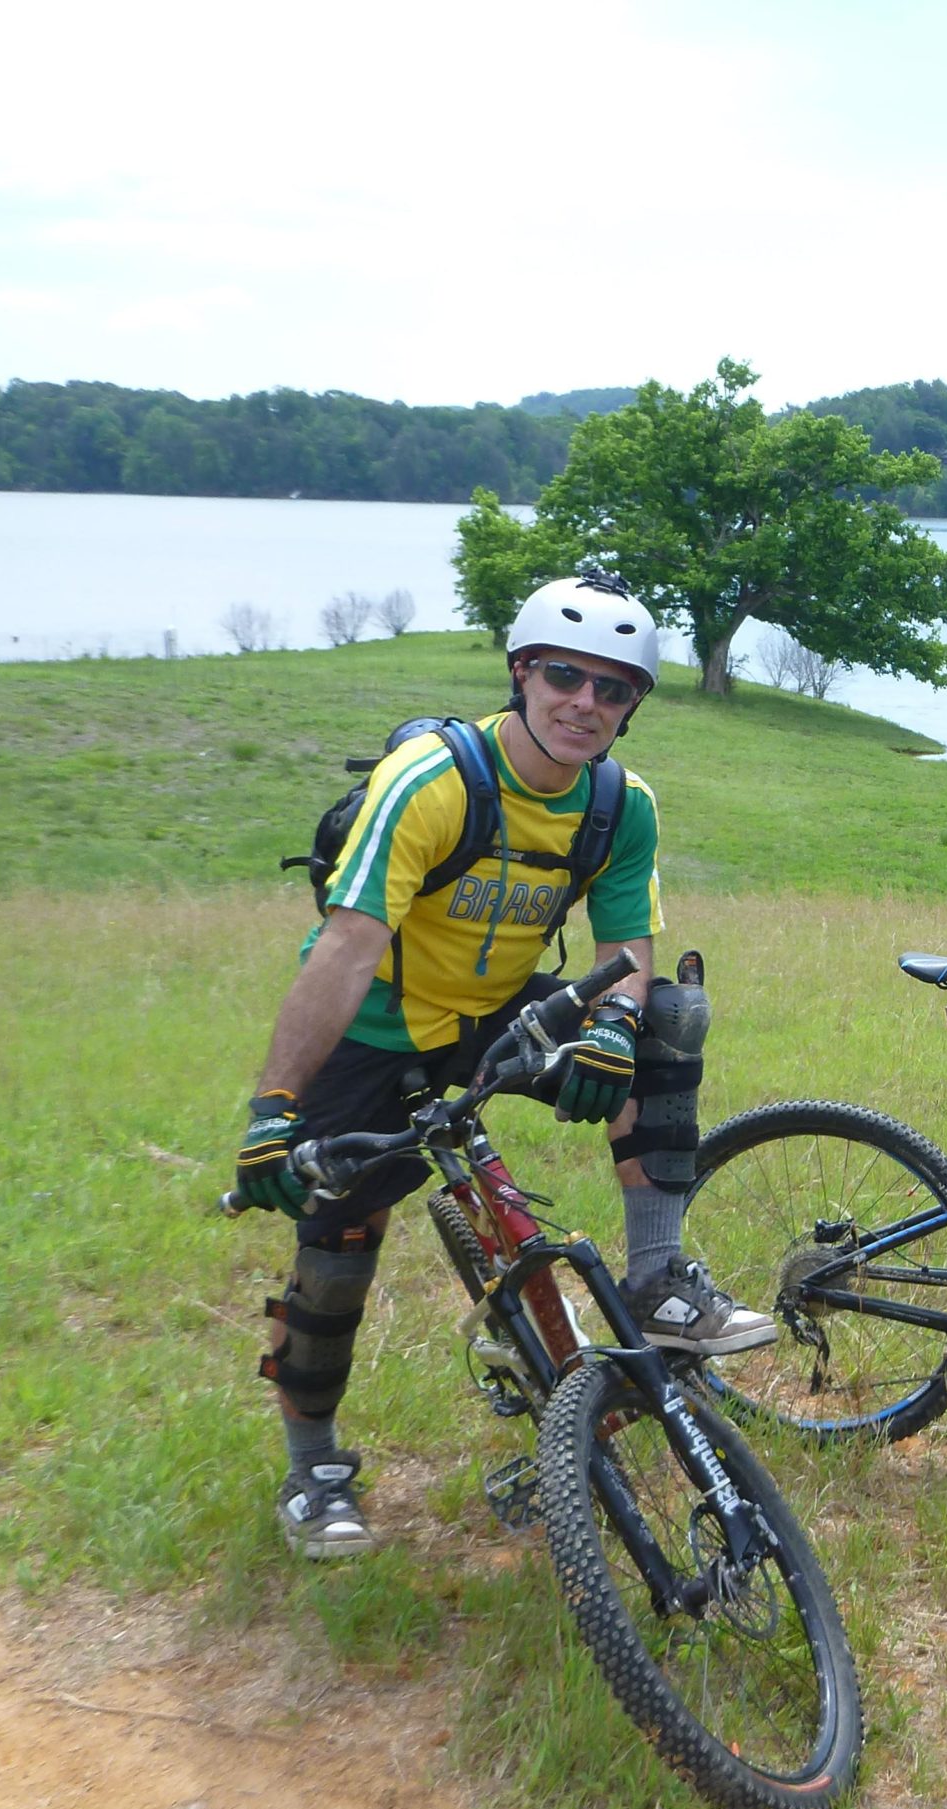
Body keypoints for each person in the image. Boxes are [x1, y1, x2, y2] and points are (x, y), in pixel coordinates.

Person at [231, 570, 774, 1563]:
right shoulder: (433, 781)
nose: (586, 705)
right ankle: (313, 1463)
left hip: (495, 1016)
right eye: (566, 676)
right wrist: (276, 1107)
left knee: (667, 1019)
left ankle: (655, 1276)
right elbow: (347, 948)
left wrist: (611, 1025)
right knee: (337, 1245)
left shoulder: (618, 804)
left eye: (614, 691)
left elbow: (629, 953)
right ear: (522, 673)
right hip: (379, 1029)